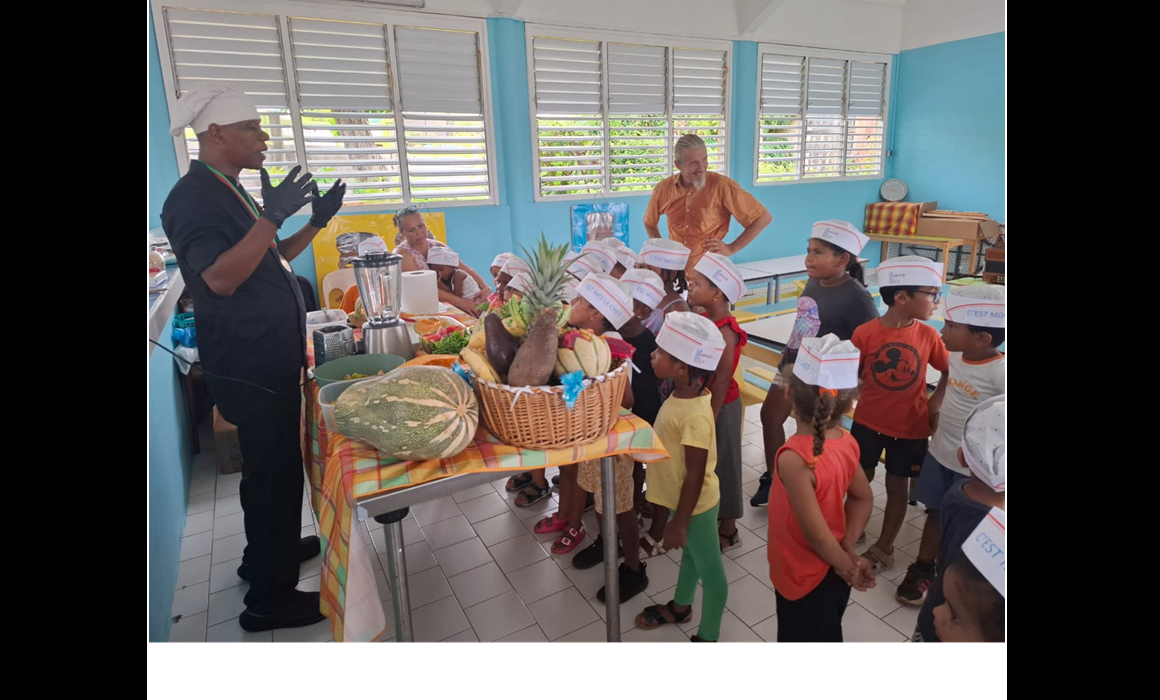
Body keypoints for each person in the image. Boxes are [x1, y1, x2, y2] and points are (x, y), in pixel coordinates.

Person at [162, 85, 347, 632]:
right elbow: (220, 280)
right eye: (252, 128)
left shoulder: (229, 189)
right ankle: (269, 600)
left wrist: (314, 222)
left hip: (266, 358)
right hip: (250, 364)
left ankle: (265, 556)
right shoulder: (193, 198)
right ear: (216, 134)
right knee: (274, 477)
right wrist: (270, 216)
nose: (264, 137)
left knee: (269, 471)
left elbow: (272, 259)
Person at [753, 221, 878, 508]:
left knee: (814, 433)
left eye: (818, 253)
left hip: (823, 379)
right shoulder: (814, 281)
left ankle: (813, 485)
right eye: (809, 251)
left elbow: (870, 341)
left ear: (842, 259)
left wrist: (852, 384)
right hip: (791, 364)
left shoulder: (857, 297)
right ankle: (775, 479)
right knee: (769, 416)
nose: (809, 258)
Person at [897, 285, 1006, 605]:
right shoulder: (956, 355)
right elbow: (948, 380)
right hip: (941, 452)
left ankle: (959, 576)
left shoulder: (1000, 373)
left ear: (982, 338)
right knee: (935, 511)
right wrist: (933, 406)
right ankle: (924, 566)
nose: (942, 331)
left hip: (976, 470)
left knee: (968, 522)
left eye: (951, 326)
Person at [767, 335, 876, 641]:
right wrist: (847, 546)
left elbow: (816, 536)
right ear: (849, 404)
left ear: (789, 392)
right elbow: (863, 498)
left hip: (803, 578)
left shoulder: (794, 458)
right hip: (834, 567)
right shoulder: (847, 442)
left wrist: (846, 567)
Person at [850, 256, 950, 573]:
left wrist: (934, 403)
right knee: (858, 480)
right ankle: (854, 527)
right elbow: (851, 376)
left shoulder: (929, 335)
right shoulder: (864, 333)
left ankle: (884, 548)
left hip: (910, 429)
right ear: (902, 297)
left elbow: (949, 369)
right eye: (931, 294)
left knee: (897, 487)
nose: (937, 301)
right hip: (866, 423)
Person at [635, 312, 728, 642]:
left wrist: (680, 523)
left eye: (660, 351)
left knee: (713, 577)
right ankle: (680, 606)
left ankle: (708, 637)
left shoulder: (694, 417)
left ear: (681, 368)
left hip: (696, 507)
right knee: (691, 556)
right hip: (683, 502)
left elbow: (695, 475)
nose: (652, 354)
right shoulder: (681, 397)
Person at [914, 395, 1006, 643]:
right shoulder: (997, 527)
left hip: (936, 609)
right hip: (959, 626)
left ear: (962, 457)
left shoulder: (957, 493)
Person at [643, 133, 772, 275]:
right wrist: (662, 250)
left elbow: (762, 218)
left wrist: (731, 248)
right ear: (678, 165)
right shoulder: (663, 189)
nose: (702, 167)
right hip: (675, 273)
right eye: (693, 163)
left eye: (704, 159)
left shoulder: (722, 186)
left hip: (709, 275)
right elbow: (649, 222)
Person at [393, 205, 490, 314]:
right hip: (423, 308)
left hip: (453, 303)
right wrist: (461, 303)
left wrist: (485, 288)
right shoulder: (402, 255)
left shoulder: (437, 246)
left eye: (421, 225)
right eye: (411, 230)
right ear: (402, 232)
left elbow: (466, 269)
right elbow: (424, 288)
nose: (419, 232)